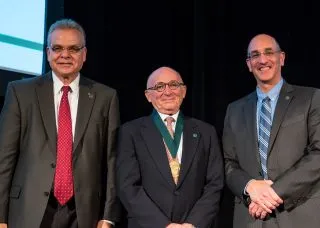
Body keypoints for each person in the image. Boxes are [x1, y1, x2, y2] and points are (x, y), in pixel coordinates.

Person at [0, 19, 121, 228]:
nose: (65, 55)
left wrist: (108, 216)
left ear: (84, 54)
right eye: (57, 48)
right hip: (28, 211)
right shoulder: (20, 92)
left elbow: (113, 161)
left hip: (84, 214)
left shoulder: (105, 97)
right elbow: (4, 159)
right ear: (48, 53)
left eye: (73, 48)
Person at [223, 33, 320, 228]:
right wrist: (250, 187)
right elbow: (229, 164)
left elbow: (318, 154)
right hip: (251, 218)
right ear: (249, 64)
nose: (263, 60)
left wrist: (274, 192)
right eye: (255, 55)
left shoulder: (310, 98)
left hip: (299, 215)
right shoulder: (234, 110)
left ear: (281, 58)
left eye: (269, 53)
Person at [116, 66, 224, 228]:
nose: (168, 92)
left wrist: (193, 223)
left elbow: (214, 184)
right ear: (148, 95)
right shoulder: (131, 132)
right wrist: (164, 225)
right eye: (159, 87)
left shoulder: (206, 132)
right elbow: (128, 187)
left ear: (184, 91)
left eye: (174, 85)